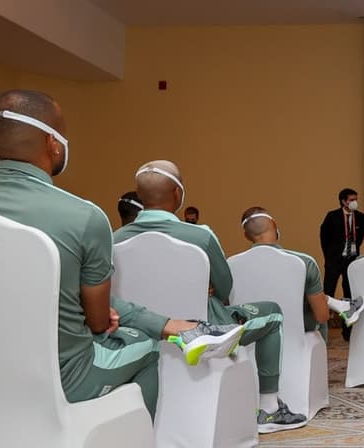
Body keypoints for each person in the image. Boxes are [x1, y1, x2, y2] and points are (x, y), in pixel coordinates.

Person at [0, 90, 243, 448]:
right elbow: (98, 321)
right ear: (53, 143)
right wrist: (104, 316)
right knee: (145, 349)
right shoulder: (82, 217)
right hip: (62, 377)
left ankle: (174, 327)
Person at [115, 161, 307, 433]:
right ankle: (270, 408)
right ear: (178, 194)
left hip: (142, 334)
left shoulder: (114, 239)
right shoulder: (200, 237)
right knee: (273, 312)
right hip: (202, 334)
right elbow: (225, 288)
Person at [240, 207, 364, 340]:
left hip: (251, 338)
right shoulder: (303, 262)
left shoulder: (232, 264)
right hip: (294, 338)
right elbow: (322, 316)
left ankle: (340, 305)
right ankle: (339, 306)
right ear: (274, 225)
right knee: (318, 311)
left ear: (246, 235)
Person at [319, 188, 364, 341]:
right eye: (351, 200)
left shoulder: (360, 217)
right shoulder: (332, 216)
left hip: (351, 260)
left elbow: (360, 238)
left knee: (349, 295)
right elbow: (324, 237)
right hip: (334, 261)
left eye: (356, 199)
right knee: (328, 293)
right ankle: (322, 332)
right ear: (343, 201)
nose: (355, 202)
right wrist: (329, 256)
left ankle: (347, 332)